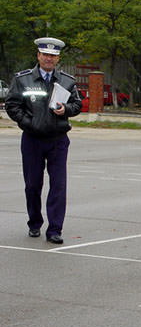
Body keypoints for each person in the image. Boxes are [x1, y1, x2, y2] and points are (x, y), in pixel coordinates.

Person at [5, 37, 83, 244]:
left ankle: (55, 229)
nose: (49, 58)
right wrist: (28, 123)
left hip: (58, 139)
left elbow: (77, 105)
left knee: (58, 186)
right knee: (32, 184)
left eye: (53, 56)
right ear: (38, 56)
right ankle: (34, 222)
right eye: (46, 55)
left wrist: (66, 109)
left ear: (58, 59)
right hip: (32, 139)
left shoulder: (67, 80)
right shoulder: (22, 79)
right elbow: (12, 105)